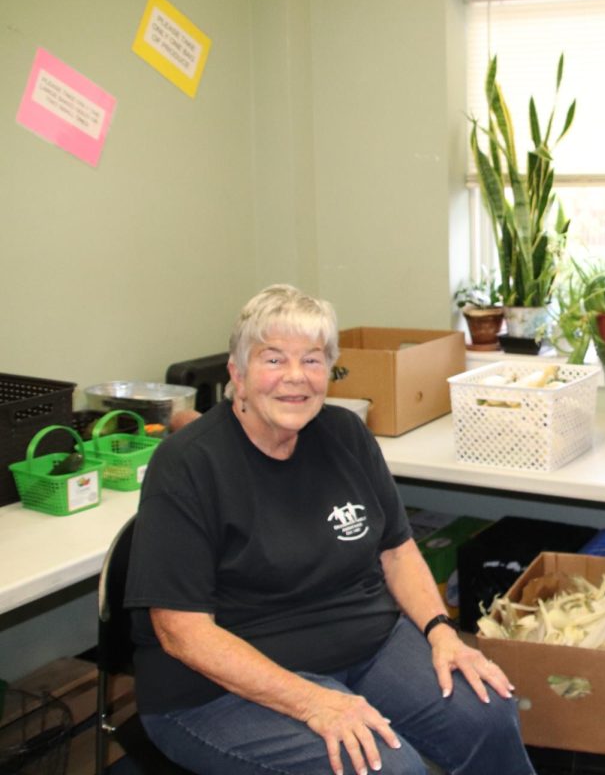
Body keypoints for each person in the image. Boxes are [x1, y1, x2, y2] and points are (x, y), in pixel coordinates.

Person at [125, 284, 534, 775]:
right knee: (386, 768)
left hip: (365, 643)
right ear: (237, 373)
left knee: (487, 714)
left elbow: (398, 552)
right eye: (273, 360)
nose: (295, 378)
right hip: (215, 688)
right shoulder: (188, 465)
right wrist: (314, 700)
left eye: (313, 361)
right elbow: (182, 634)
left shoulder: (345, 434)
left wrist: (441, 632)